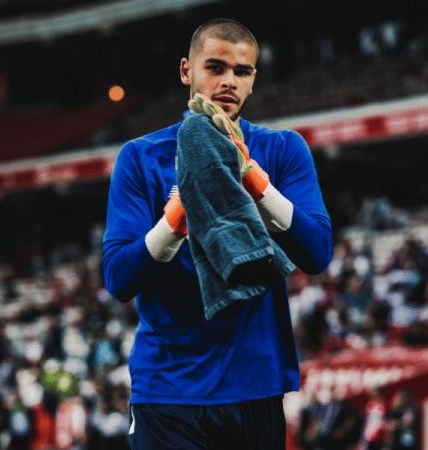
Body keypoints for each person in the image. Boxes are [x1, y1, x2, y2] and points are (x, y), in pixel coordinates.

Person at [102, 18, 333, 450]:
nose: (229, 81)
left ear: (253, 80)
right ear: (187, 71)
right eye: (216, 67)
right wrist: (173, 223)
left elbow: (318, 252)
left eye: (241, 72)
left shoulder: (283, 150)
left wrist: (256, 184)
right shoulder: (140, 157)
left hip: (255, 385)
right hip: (169, 389)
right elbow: (118, 278)